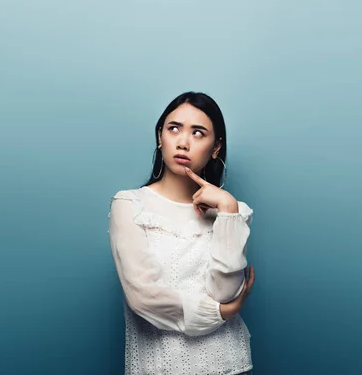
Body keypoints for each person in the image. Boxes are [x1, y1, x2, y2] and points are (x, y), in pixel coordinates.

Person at [108, 91, 256, 375]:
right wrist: (220, 313)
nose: (183, 142)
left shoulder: (235, 212)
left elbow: (224, 291)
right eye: (174, 128)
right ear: (160, 137)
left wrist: (227, 209)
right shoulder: (130, 205)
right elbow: (144, 298)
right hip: (159, 367)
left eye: (198, 133)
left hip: (229, 365)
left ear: (216, 147)